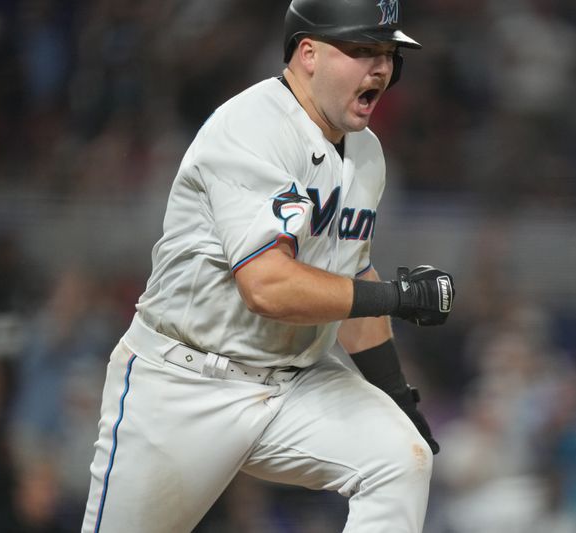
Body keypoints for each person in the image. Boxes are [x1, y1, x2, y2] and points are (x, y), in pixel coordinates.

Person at [81, 0, 455, 532]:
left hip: (297, 383)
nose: (381, 67)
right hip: (186, 383)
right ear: (307, 54)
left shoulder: (366, 154)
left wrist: (398, 397)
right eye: (362, 50)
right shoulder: (251, 127)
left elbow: (350, 282)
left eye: (388, 53)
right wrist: (399, 297)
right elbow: (268, 286)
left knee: (401, 459)